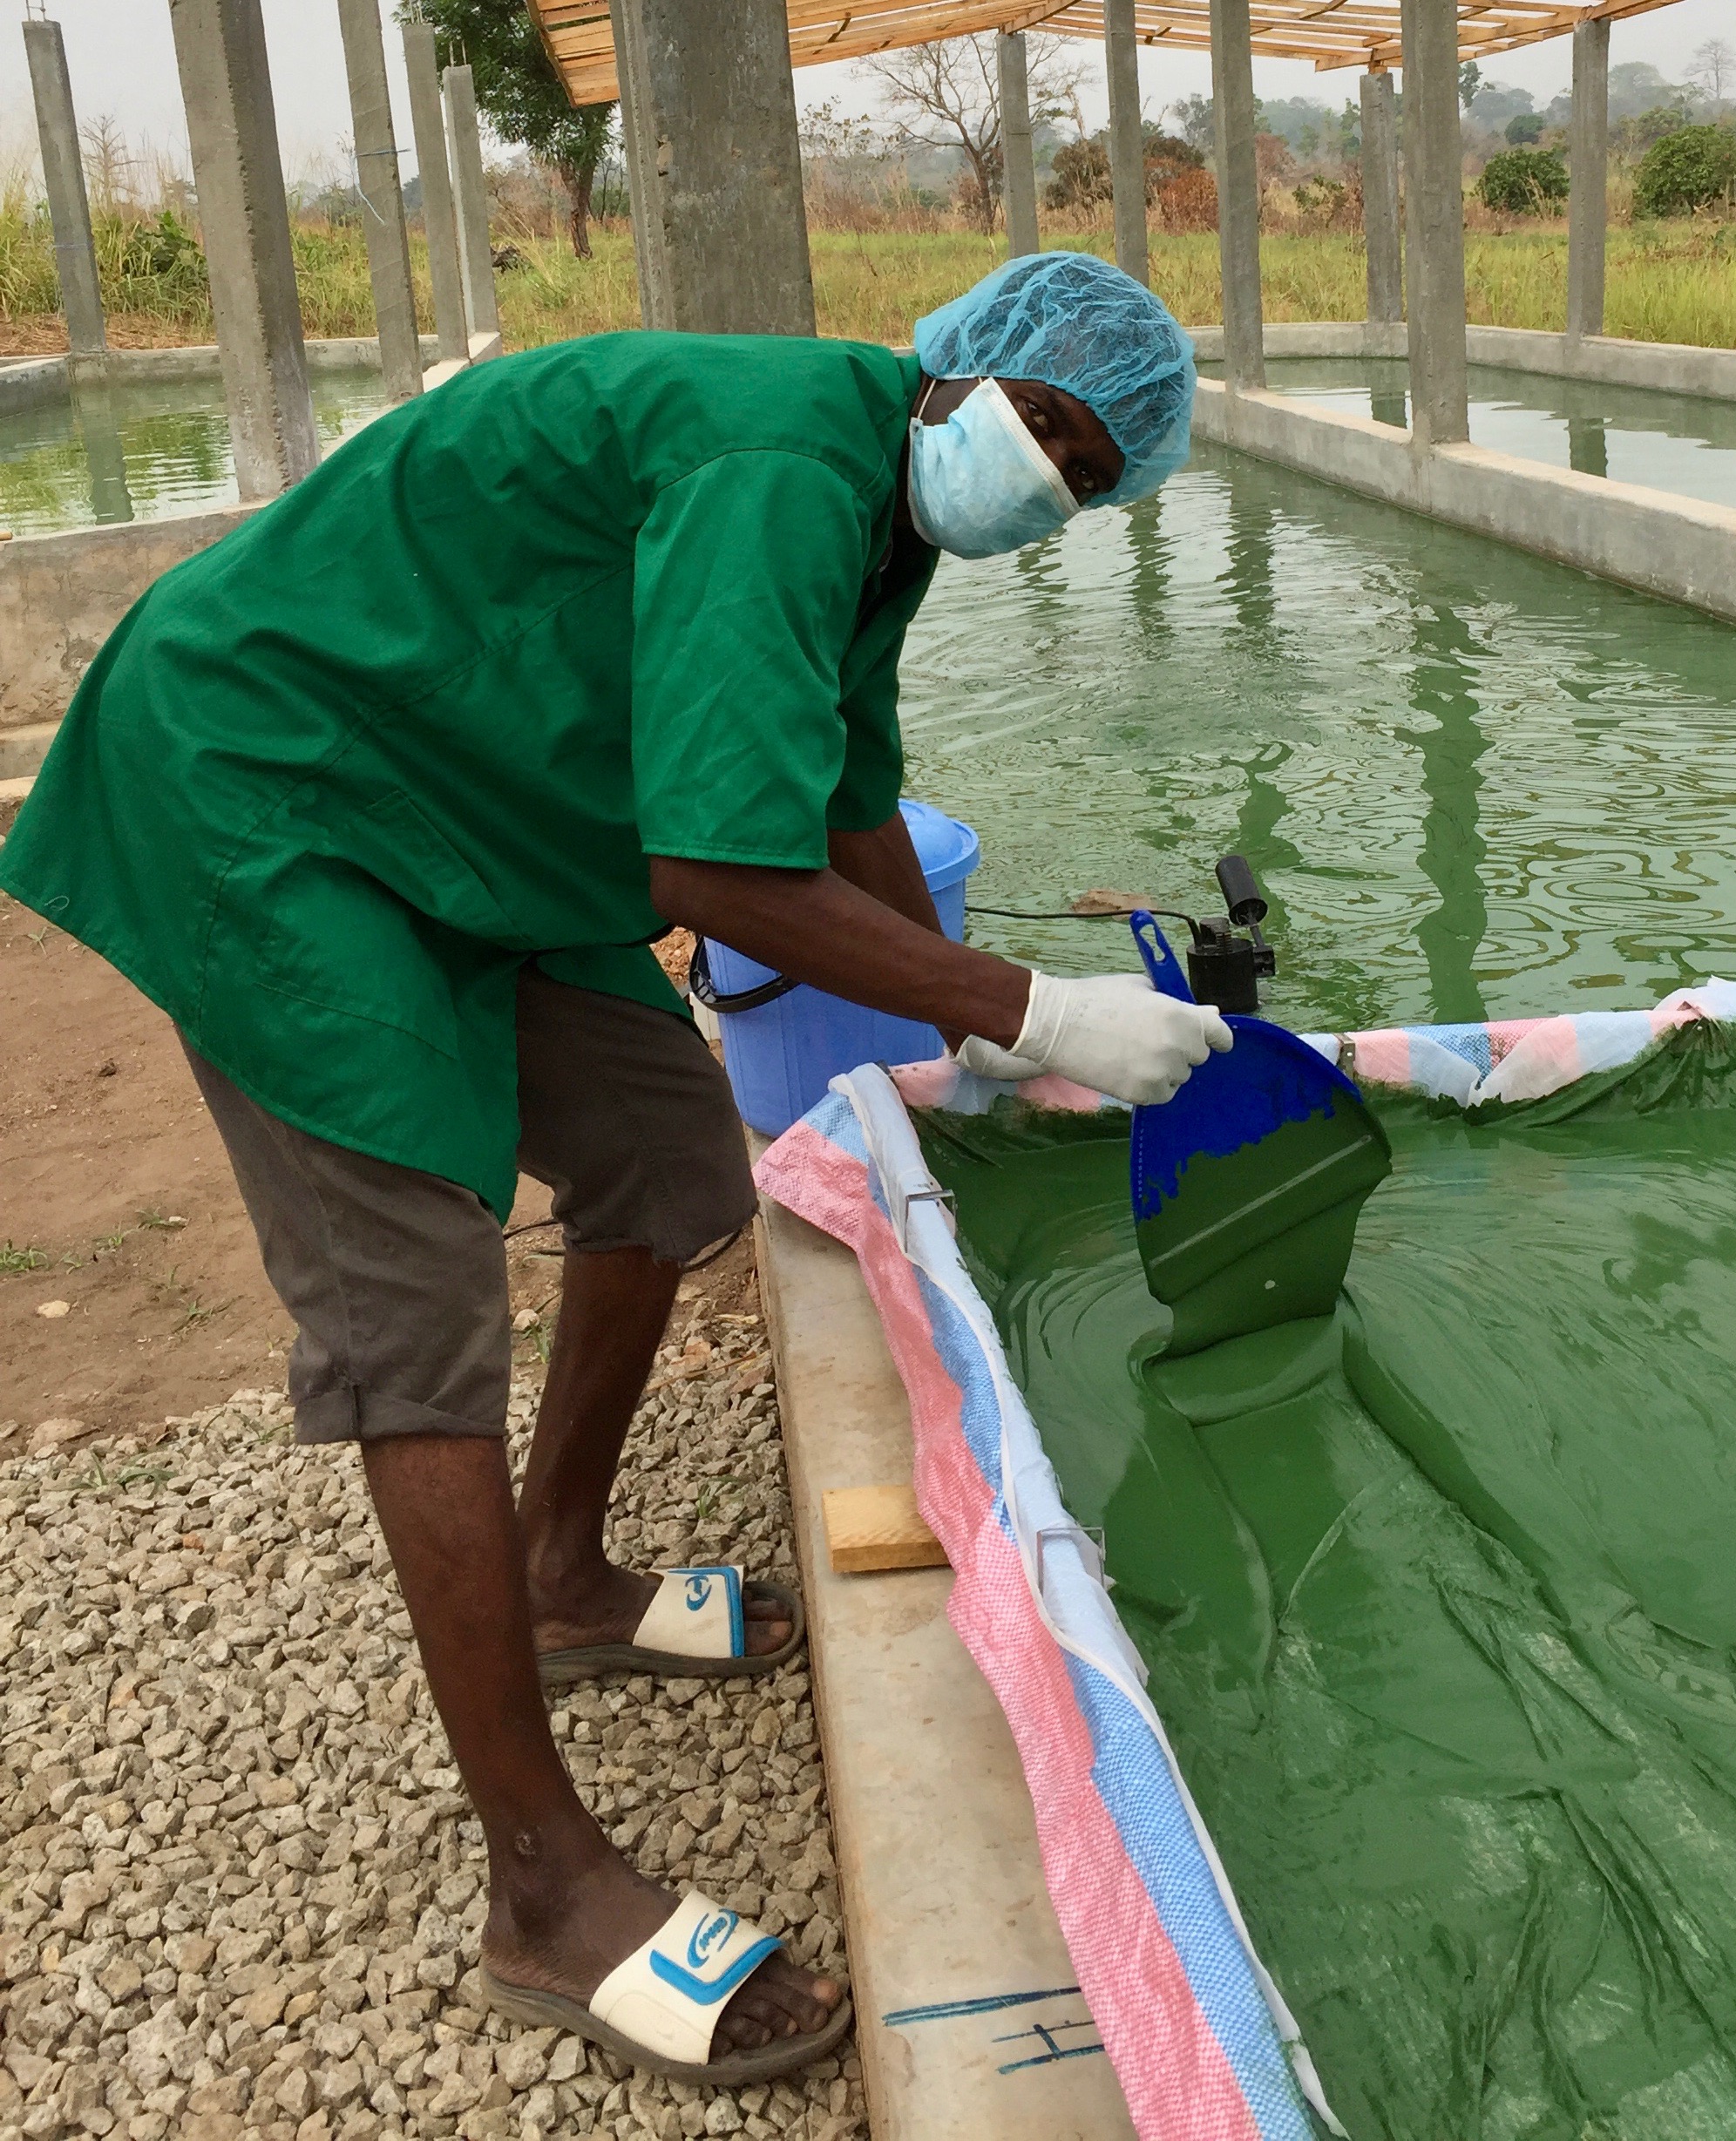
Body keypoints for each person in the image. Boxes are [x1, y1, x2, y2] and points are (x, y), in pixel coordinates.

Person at [0, 254, 1226, 2087]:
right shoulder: (783, 465)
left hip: (458, 791)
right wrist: (1036, 1004)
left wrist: (972, 1024)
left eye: (1088, 476)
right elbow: (718, 875)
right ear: (965, 363)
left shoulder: (878, 512)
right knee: (418, 1312)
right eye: (1048, 428)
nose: (1048, 480)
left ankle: (563, 1569)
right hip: (275, 783)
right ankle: (545, 1890)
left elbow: (841, 795)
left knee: (666, 1152)